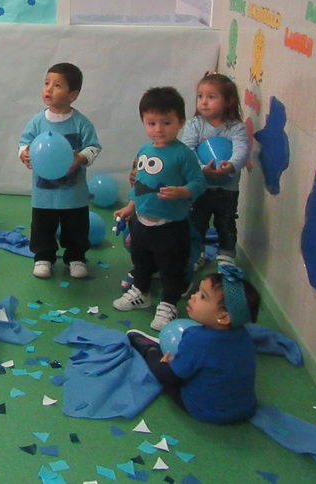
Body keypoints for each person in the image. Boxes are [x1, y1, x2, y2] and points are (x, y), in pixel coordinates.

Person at [113, 87, 207, 330]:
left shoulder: (183, 154)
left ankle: (169, 304)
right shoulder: (144, 150)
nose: (158, 129)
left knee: (171, 267)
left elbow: (199, 183)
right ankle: (141, 293)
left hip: (170, 226)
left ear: (181, 122)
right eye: (151, 122)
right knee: (141, 261)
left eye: (166, 122)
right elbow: (140, 185)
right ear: (144, 122)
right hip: (142, 222)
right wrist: (130, 207)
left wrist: (183, 192)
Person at [127, 266, 261, 424]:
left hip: (205, 410)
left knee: (161, 368)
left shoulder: (198, 339)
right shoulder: (244, 335)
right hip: (245, 409)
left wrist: (163, 365)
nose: (193, 297)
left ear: (223, 317)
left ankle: (148, 348)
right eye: (197, 291)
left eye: (203, 296)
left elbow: (172, 377)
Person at [18, 63, 102, 280]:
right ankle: (43, 257)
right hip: (43, 192)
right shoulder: (37, 122)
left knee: (76, 226)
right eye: (47, 83)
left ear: (73, 95)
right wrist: (24, 154)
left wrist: (81, 158)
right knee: (42, 226)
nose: (49, 89)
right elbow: (24, 143)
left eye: (57, 85)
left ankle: (76, 257)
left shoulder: (81, 123)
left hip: (73, 193)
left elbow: (93, 147)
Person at [180, 73, 248, 268]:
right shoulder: (195, 124)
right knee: (197, 221)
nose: (204, 102)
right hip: (200, 185)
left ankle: (226, 255)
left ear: (229, 101)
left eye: (211, 97)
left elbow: (242, 148)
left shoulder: (236, 127)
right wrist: (202, 168)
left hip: (227, 189)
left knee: (226, 221)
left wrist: (232, 164)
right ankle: (197, 252)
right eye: (200, 96)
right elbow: (188, 149)